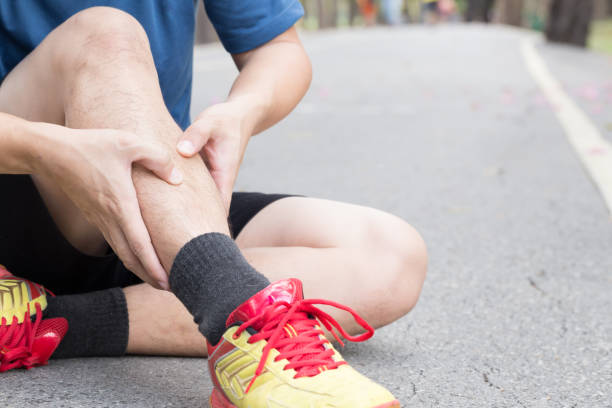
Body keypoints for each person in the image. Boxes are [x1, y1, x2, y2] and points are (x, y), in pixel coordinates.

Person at [0, 2, 427, 407]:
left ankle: (46, 321)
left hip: (149, 201)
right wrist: (50, 149)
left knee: (391, 255)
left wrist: (243, 111)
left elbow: (277, 49)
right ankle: (241, 315)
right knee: (103, 32)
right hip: (22, 184)